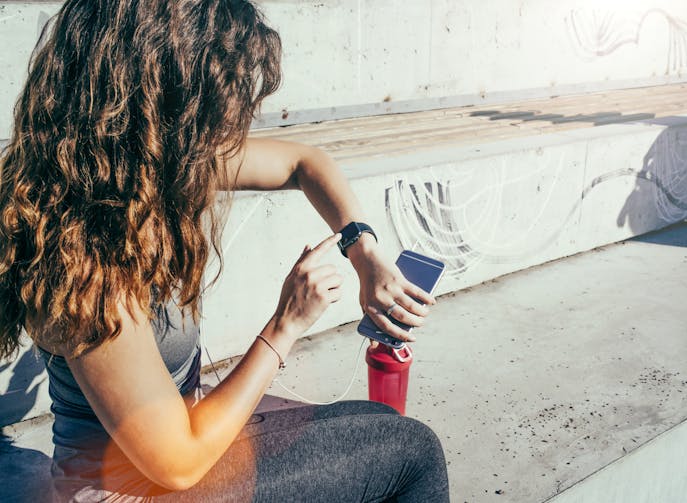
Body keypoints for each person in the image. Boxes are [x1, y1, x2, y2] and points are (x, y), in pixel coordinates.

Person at [0, 0, 450, 501]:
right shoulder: (83, 264)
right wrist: (286, 325)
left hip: (185, 449)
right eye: (220, 104)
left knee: (375, 420)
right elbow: (179, 462)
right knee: (412, 452)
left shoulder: (148, 173)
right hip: (132, 491)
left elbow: (305, 160)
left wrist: (363, 251)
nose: (230, 127)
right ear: (164, 102)